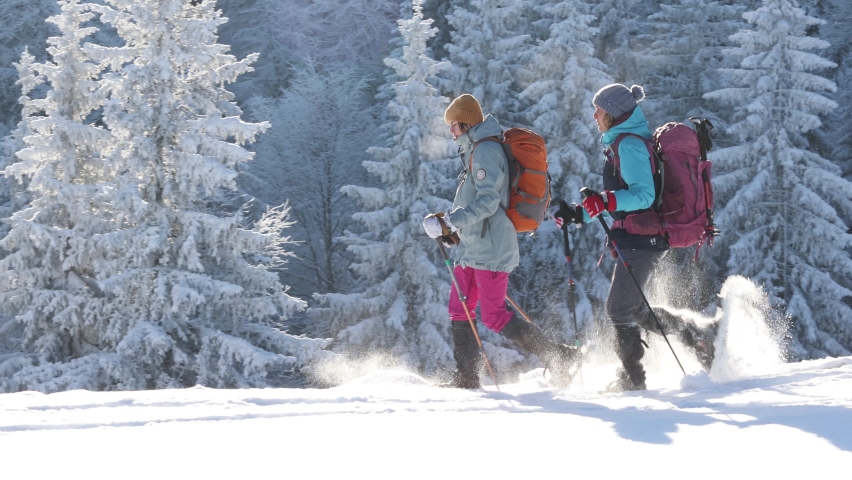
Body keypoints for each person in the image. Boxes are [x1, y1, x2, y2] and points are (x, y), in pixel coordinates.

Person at [552, 84, 715, 392]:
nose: (594, 115)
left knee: (619, 308)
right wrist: (579, 213)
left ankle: (632, 378)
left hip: (645, 237)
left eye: (598, 110)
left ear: (613, 115)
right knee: (631, 307)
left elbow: (643, 195)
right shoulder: (621, 143)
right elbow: (616, 200)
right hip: (635, 235)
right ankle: (695, 336)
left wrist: (605, 201)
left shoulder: (629, 145)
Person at [422, 93, 578, 389]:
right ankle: (466, 378)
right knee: (459, 307)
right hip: (472, 246)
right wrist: (453, 229)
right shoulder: (473, 151)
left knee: (493, 316)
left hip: (492, 248)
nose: (450, 131)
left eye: (453, 125)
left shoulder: (485, 151)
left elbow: (489, 202)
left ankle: (561, 356)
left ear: (466, 124)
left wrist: (452, 221)